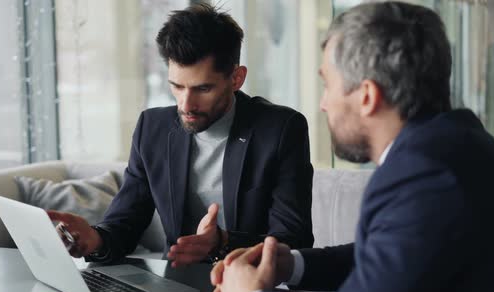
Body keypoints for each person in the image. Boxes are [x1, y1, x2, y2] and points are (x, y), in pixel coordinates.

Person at [205, 2, 494, 292]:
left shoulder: (425, 176)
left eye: (328, 85)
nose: (323, 103)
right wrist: (289, 264)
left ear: (366, 96)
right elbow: (390, 260)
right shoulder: (460, 148)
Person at [48, 3, 314, 267]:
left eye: (203, 89)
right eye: (177, 86)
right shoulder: (152, 128)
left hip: (250, 285)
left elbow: (294, 240)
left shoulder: (281, 129)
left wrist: (222, 242)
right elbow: (124, 225)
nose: (186, 105)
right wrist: (95, 239)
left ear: (236, 78)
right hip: (176, 284)